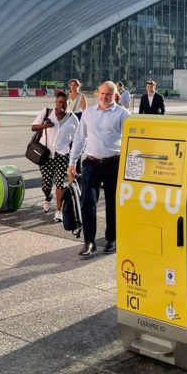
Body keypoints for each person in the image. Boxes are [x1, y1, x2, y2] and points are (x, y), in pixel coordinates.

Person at [68, 81, 129, 257]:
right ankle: (89, 242)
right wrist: (72, 162)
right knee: (87, 201)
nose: (104, 97)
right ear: (97, 94)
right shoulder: (88, 113)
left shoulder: (123, 114)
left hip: (113, 163)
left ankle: (111, 238)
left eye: (108, 94)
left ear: (115, 95)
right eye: (102, 93)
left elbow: (129, 140)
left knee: (112, 203)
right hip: (91, 163)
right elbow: (80, 139)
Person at [31, 90, 78, 222]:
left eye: (64, 102)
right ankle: (47, 197)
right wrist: (45, 125)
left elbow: (77, 137)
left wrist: (73, 153)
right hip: (46, 154)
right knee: (46, 185)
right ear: (55, 103)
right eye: (59, 102)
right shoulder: (46, 112)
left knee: (59, 183)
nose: (62, 105)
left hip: (63, 155)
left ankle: (58, 211)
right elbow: (33, 127)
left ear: (68, 104)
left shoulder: (72, 118)